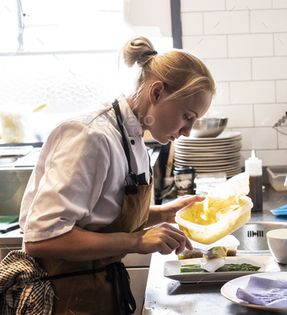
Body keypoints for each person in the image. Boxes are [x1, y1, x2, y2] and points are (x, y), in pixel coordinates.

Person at [16, 36, 216, 314]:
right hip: (63, 298)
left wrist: (165, 213)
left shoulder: (132, 137)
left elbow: (103, 217)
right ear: (157, 93)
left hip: (100, 291)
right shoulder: (90, 136)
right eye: (187, 116)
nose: (187, 132)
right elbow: (42, 239)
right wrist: (136, 241)